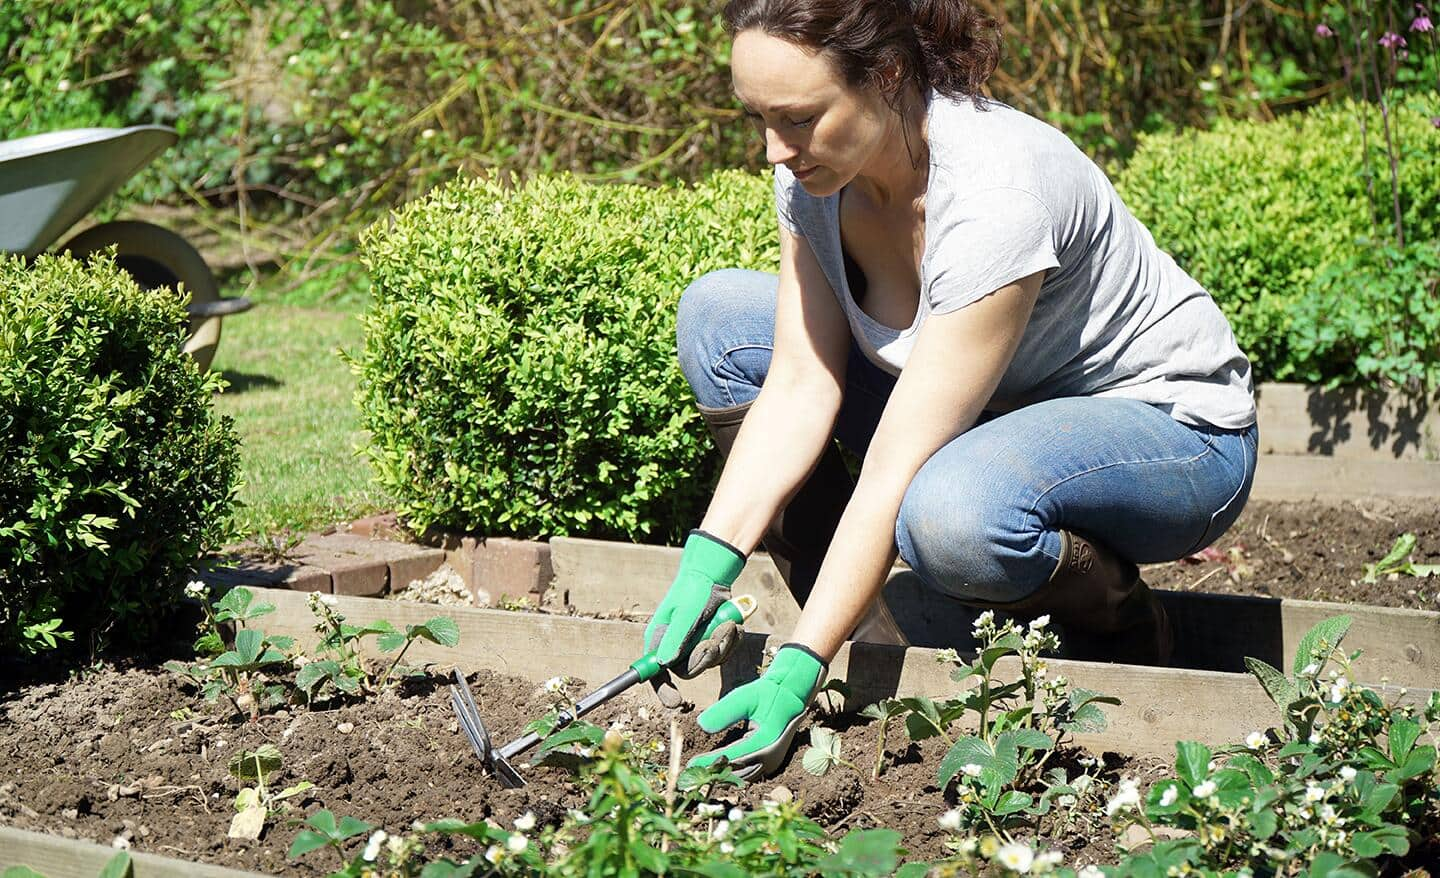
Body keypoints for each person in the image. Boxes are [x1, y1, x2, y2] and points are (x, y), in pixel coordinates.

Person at [642, 0, 1259, 780]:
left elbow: (898, 465)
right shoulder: (815, 181)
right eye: (757, 118)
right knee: (720, 320)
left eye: (797, 119)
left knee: (948, 514)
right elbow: (800, 384)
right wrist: (706, 565)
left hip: (1170, 432)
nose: (773, 150)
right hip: (992, 416)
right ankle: (872, 639)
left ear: (889, 74)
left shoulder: (996, 191)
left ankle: (1125, 623)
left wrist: (795, 667)